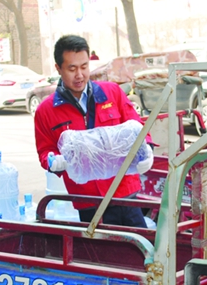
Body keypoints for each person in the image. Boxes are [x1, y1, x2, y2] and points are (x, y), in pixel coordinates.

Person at [34, 35, 151, 227]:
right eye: (72, 69)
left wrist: (148, 149)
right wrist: (54, 162)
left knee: (139, 244)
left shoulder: (112, 93)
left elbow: (137, 128)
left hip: (125, 194)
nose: (79, 75)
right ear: (58, 68)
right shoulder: (46, 111)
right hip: (88, 201)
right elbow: (45, 152)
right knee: (98, 247)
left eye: (84, 66)